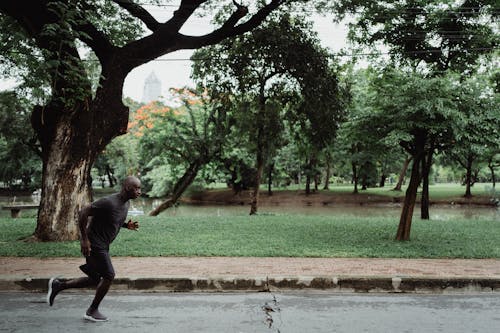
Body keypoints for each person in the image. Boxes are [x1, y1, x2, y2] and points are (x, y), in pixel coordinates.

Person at [46, 176, 142, 322]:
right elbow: (83, 212)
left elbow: (112, 218)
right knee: (109, 275)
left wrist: (126, 225)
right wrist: (84, 239)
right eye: (137, 188)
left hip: (103, 245)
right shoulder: (109, 202)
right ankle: (92, 311)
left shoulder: (126, 203)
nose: (139, 192)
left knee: (95, 279)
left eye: (139, 188)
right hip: (94, 244)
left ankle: (58, 285)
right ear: (128, 188)